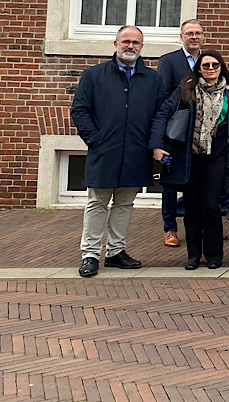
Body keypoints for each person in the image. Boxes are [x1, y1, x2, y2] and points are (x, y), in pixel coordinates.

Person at [70, 25, 163, 278]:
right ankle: (90, 254)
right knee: (97, 203)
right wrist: (95, 139)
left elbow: (160, 115)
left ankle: (115, 252)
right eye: (125, 41)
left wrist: (153, 144)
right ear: (115, 44)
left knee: (124, 204)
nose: (130, 46)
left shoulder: (153, 79)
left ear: (142, 47)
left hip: (136, 153)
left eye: (136, 42)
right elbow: (80, 110)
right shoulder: (94, 75)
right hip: (104, 150)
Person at [151, 50, 229, 270]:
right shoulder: (186, 91)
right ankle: (193, 255)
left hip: (217, 157)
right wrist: (156, 146)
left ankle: (214, 255)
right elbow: (163, 115)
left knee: (211, 206)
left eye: (215, 65)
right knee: (192, 206)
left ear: (221, 68)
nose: (211, 69)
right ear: (198, 69)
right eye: (206, 66)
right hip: (189, 157)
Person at [155, 19, 205, 248]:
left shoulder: (208, 60)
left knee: (199, 179)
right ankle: (170, 227)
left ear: (203, 37)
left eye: (197, 33)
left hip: (202, 131)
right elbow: (163, 95)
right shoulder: (169, 61)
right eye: (189, 33)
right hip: (176, 130)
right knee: (170, 181)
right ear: (181, 37)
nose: (193, 37)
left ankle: (200, 224)